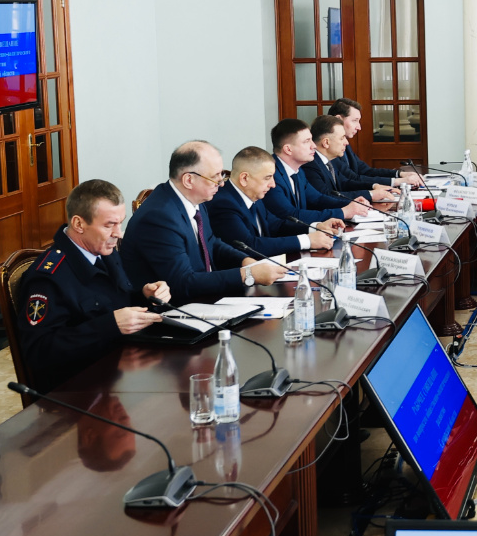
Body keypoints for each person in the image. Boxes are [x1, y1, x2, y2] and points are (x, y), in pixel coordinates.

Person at [20, 180, 172, 393]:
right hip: (79, 388)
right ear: (79, 224)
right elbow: (39, 351)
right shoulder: (48, 278)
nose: (118, 233)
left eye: (120, 223)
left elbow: (115, 301)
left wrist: (145, 296)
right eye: (109, 225)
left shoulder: (103, 251)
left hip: (121, 367)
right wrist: (110, 325)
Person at [120, 140, 287, 303]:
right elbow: (182, 283)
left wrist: (245, 261)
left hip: (203, 299)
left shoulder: (195, 200)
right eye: (215, 177)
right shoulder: (158, 217)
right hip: (174, 309)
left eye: (222, 175)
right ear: (188, 180)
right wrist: (247, 275)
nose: (222, 184)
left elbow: (212, 244)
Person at [207, 146, 342, 258]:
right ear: (244, 178)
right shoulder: (223, 203)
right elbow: (250, 245)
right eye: (267, 178)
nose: (273, 184)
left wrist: (315, 227)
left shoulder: (253, 195)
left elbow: (276, 225)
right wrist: (306, 241)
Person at [264, 118, 369, 226]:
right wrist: (343, 212)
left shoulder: (298, 171)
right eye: (307, 141)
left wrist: (352, 204)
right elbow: (290, 215)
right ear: (288, 149)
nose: (313, 146)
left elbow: (318, 199)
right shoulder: (270, 176)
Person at [326, 98, 420, 186]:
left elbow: (365, 171)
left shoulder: (346, 144)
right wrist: (398, 181)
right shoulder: (329, 147)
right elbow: (351, 178)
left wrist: (399, 174)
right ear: (339, 119)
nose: (359, 127)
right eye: (354, 121)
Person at [305, 115, 397, 201]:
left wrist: (374, 186)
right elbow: (326, 197)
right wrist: (371, 194)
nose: (346, 142)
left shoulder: (330, 159)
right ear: (326, 143)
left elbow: (344, 183)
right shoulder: (310, 164)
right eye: (342, 138)